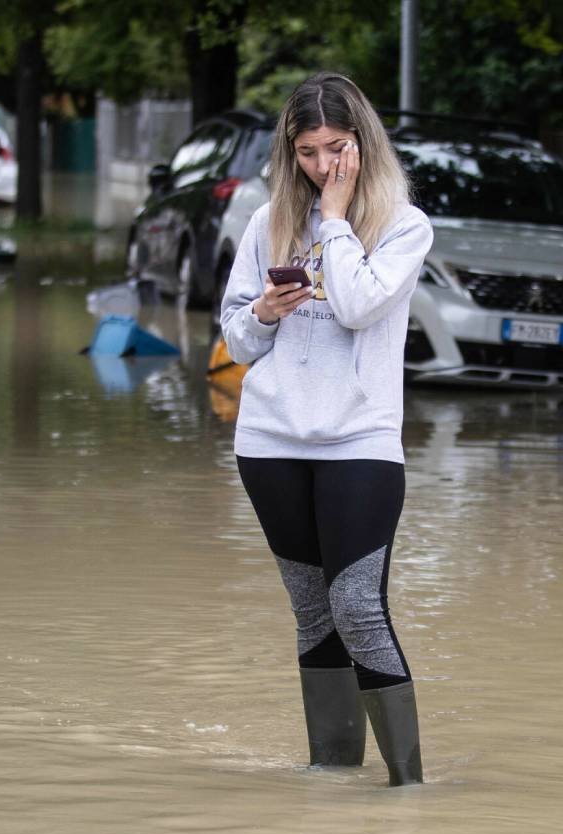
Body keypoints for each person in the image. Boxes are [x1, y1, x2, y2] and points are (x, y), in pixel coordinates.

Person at [219, 72, 434, 787]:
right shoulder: (265, 222)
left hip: (360, 441)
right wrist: (264, 314)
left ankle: (409, 787)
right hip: (271, 441)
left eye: (335, 148)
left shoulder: (404, 224)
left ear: (362, 143)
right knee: (314, 612)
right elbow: (237, 341)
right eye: (307, 152)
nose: (320, 166)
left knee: (356, 604)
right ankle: (331, 777)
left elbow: (358, 307)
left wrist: (337, 218)